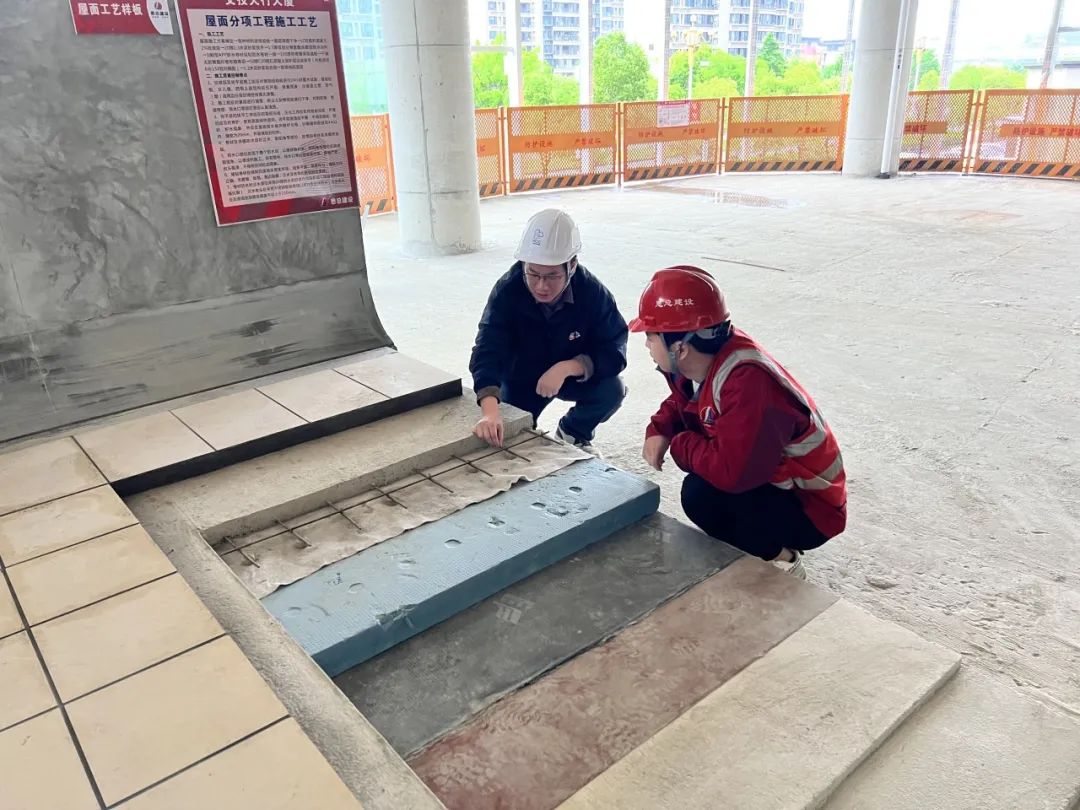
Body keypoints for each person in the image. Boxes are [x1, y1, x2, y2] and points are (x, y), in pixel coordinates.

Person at [629, 265, 846, 578]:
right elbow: (685, 401)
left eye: (650, 336)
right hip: (775, 481)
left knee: (702, 496)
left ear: (680, 347)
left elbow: (735, 475)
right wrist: (660, 429)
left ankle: (783, 560)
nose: (647, 345)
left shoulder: (749, 385)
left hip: (812, 509)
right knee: (708, 486)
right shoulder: (701, 361)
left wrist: (680, 444)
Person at [469, 209, 628, 452]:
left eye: (552, 275)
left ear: (572, 265)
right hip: (521, 378)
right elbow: (488, 348)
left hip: (570, 377)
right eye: (533, 273)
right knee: (510, 439)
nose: (541, 286)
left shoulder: (592, 293)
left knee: (612, 390)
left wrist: (569, 367)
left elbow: (614, 348)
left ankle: (573, 432)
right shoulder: (508, 291)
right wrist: (490, 412)